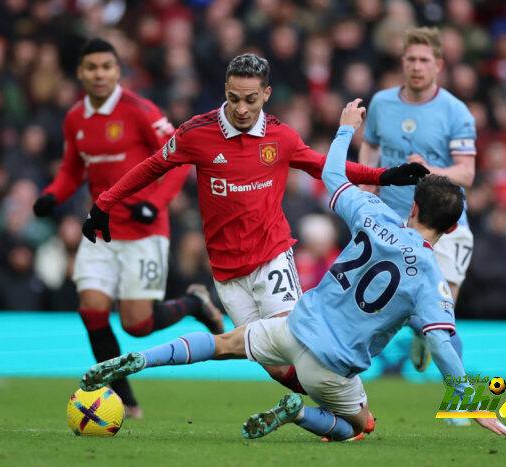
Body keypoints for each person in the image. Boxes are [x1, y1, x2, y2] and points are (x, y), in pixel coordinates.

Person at [79, 100, 506, 441]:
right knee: (362, 426)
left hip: (293, 327)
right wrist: (470, 403)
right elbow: (439, 341)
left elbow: (334, 175)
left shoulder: (373, 213)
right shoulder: (432, 280)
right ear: (453, 226)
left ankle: (137, 360)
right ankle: (301, 412)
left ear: (413, 205)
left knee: (224, 342)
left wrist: (346, 128)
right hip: (331, 368)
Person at [81, 53, 426, 393]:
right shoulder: (196, 133)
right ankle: (341, 406)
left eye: (250, 99)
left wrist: (385, 175)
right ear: (225, 90)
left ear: (266, 94)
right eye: (233, 99)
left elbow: (326, 167)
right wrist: (105, 203)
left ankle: (353, 409)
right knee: (277, 368)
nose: (242, 108)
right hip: (226, 270)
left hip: (271, 256)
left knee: (293, 342)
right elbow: (153, 165)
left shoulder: (282, 137)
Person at [32, 38, 224, 418]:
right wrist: (52, 195)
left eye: (106, 66)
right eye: (92, 67)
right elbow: (73, 169)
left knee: (137, 326)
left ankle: (192, 303)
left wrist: (155, 203)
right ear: (81, 73)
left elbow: (179, 158)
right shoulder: (75, 118)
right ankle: (124, 399)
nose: (99, 74)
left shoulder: (140, 110)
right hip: (99, 229)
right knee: (92, 312)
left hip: (143, 231)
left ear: (118, 71)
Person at [357, 27, 477, 392]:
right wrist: (366, 184)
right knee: (381, 310)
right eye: (411, 59)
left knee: (444, 316)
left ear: (438, 64)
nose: (417, 67)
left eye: (424, 60)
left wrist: (428, 170)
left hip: (443, 224)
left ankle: (460, 406)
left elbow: (467, 173)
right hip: (394, 223)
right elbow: (371, 149)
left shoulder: (455, 111)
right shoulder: (381, 103)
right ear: (403, 62)